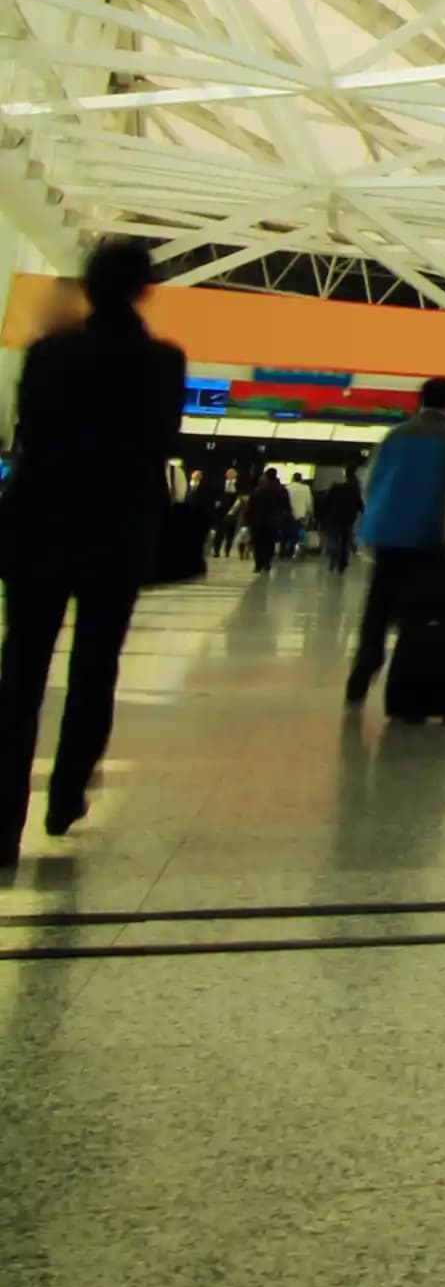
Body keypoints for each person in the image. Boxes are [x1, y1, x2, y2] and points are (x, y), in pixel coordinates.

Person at [0, 237, 186, 860]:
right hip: (115, 533)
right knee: (94, 666)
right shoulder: (162, 363)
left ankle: (4, 818)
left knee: (20, 673)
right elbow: (157, 442)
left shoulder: (51, 353)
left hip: (38, 526)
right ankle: (67, 793)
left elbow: (33, 432)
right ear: (143, 290)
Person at [344, 379, 445, 706]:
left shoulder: (395, 434)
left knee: (378, 607)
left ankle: (363, 670)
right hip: (426, 537)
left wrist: (377, 520)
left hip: (386, 535)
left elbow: (370, 481)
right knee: (419, 613)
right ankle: (408, 689)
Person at [245, 468, 294, 572]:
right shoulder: (282, 490)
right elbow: (287, 507)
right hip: (274, 521)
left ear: (266, 476)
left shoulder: (258, 490)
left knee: (258, 543)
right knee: (270, 543)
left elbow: (250, 507)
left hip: (258, 521)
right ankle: (267, 562)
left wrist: (248, 520)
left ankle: (258, 564)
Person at [316, 468, 363, 575]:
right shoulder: (354, 490)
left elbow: (326, 503)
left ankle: (333, 560)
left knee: (333, 539)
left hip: (334, 518)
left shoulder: (335, 488)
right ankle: (343, 563)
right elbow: (360, 505)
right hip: (349, 519)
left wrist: (322, 515)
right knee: (345, 541)